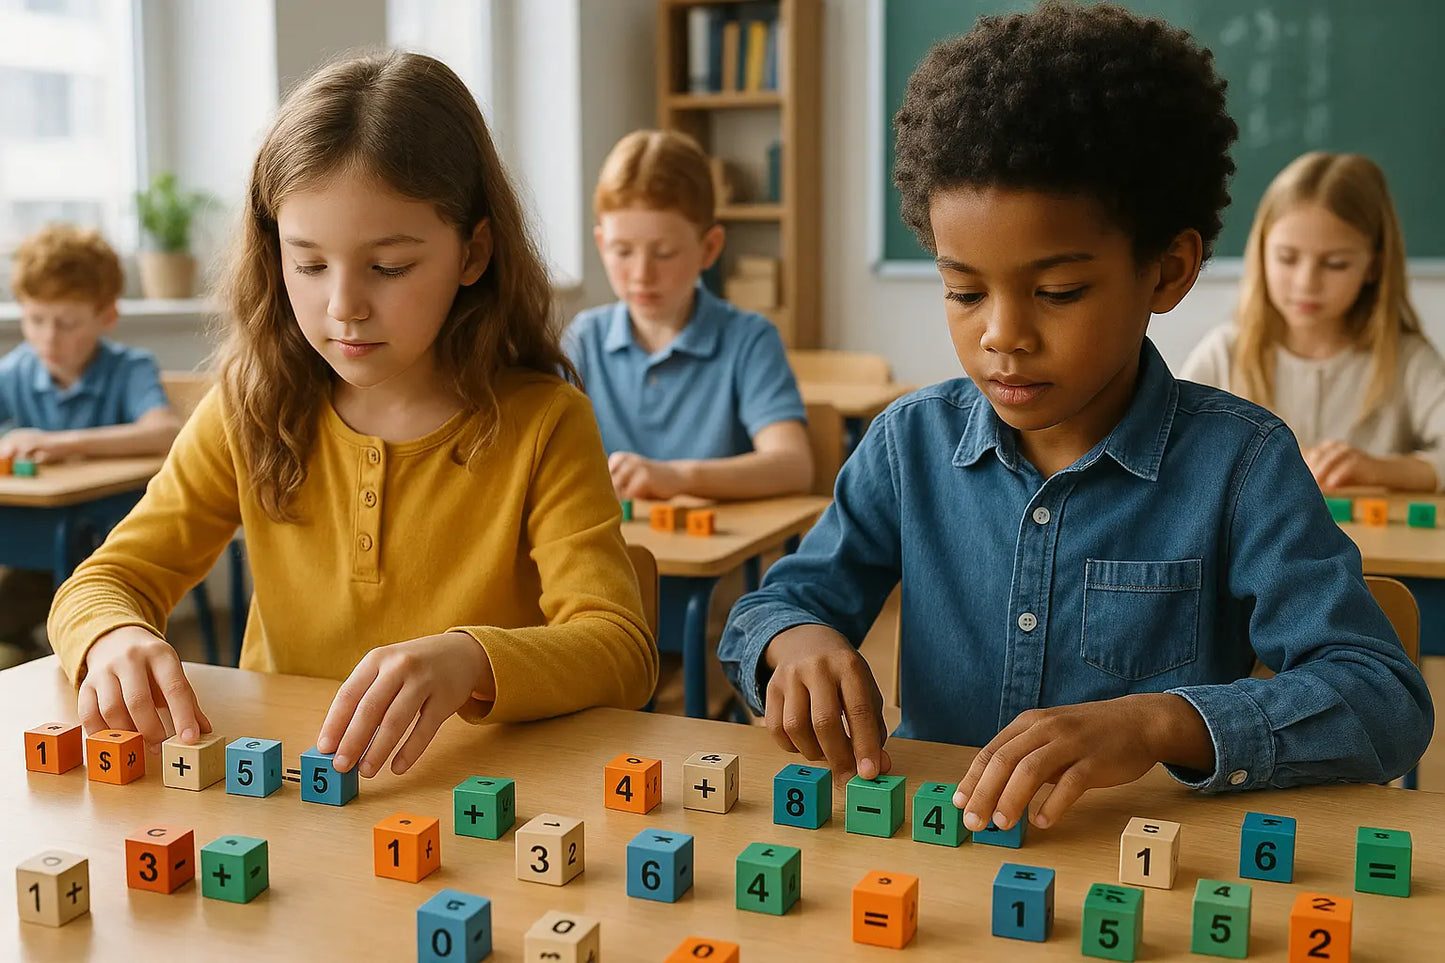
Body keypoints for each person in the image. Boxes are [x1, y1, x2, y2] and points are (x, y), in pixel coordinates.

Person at [718, 1, 1432, 833]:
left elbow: (1382, 698)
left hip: (1142, 870)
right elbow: (772, 605)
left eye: (1056, 292)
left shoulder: (1242, 465)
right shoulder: (908, 443)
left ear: (1167, 271)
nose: (1001, 334)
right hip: (935, 852)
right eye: (962, 290)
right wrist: (792, 639)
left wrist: (1162, 720)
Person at [48, 51, 657, 781]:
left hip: (482, 803)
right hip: (278, 798)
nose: (343, 306)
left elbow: (620, 648)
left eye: (389, 267)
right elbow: (104, 580)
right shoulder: (251, 406)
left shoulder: (544, 422)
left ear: (473, 251)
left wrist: (470, 659)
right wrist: (111, 635)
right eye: (308, 264)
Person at [565, 129, 812, 501]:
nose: (641, 274)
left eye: (664, 253)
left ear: (709, 248)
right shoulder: (583, 340)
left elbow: (794, 466)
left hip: (714, 554)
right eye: (622, 251)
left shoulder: (748, 339)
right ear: (601, 244)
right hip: (612, 553)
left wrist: (676, 477)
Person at [1181, 151, 1445, 492]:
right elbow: (1169, 452)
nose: (1307, 283)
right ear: (1261, 253)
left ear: (1374, 267)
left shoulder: (1407, 359)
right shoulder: (1225, 353)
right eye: (1287, 258)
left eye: (1335, 264)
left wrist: (1376, 470)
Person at [0, 224, 179, 668]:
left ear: (106, 316)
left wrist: (61, 444)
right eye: (35, 320)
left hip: (114, 536)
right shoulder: (17, 369)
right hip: (36, 531)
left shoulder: (129, 367)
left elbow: (166, 431)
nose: (48, 338)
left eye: (67, 323)